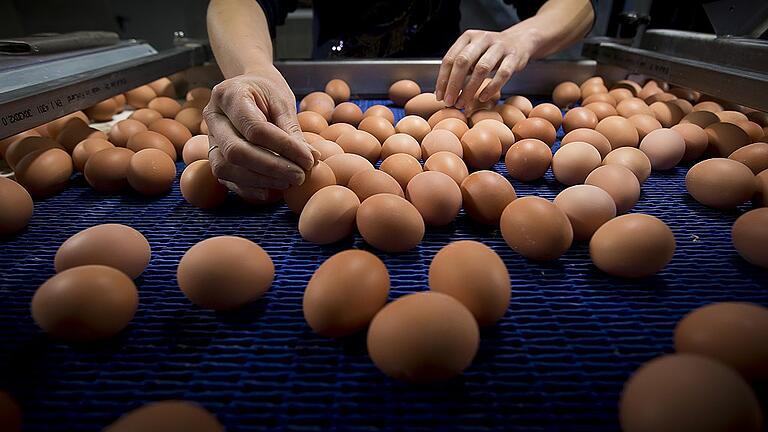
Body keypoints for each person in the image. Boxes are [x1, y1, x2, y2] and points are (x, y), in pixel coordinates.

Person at [204, 0, 594, 200]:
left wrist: (524, 36)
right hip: (337, 77)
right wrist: (252, 68)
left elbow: (577, 6)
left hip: (449, 92)